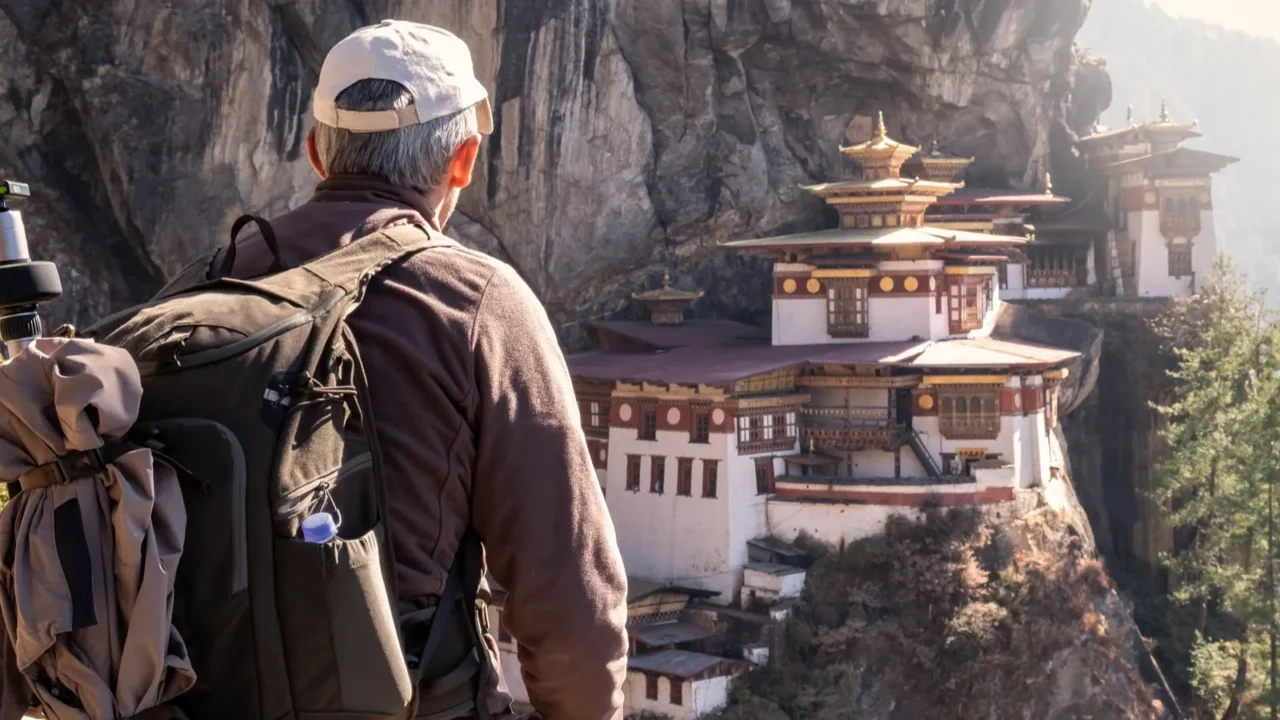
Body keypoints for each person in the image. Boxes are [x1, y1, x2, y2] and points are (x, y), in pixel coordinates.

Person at [216, 20, 628, 720]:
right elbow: (569, 597)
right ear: (463, 160)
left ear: (318, 152)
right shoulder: (478, 306)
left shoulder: (211, 283)